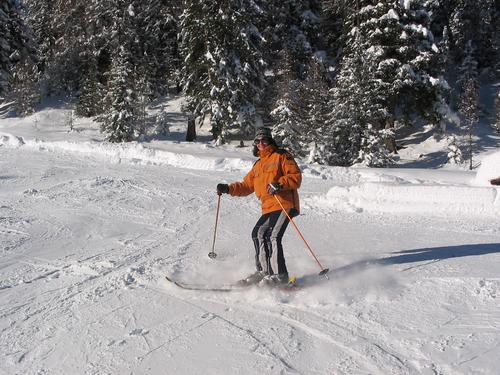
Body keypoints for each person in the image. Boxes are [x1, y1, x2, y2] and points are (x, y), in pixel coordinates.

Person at [216, 128, 302, 285]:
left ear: (270, 141)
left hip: (284, 203)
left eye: (264, 140)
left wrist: (279, 184)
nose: (261, 143)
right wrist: (228, 188)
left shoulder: (282, 156)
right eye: (258, 141)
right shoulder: (258, 165)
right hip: (268, 207)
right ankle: (264, 272)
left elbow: (295, 177)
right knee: (258, 233)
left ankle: (280, 276)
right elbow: (246, 186)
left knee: (274, 236)